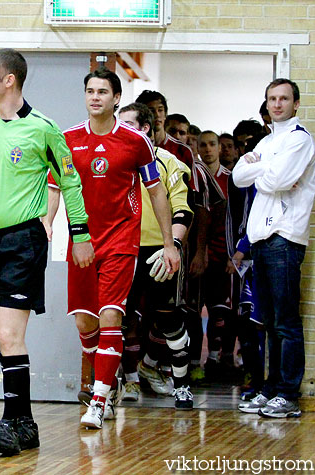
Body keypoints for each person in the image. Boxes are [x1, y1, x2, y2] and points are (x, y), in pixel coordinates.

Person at [0, 49, 94, 456]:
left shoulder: (43, 129)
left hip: (23, 242)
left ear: (9, 80)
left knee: (10, 335)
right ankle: (25, 423)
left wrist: (79, 234)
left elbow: (71, 183)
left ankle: (12, 422)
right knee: (3, 335)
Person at [47, 70, 180, 428]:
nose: (95, 97)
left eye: (103, 92)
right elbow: (55, 189)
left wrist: (170, 244)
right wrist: (47, 224)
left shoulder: (137, 142)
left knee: (111, 317)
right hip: (81, 242)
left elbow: (156, 193)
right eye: (89, 91)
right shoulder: (67, 139)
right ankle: (109, 377)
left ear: (116, 98)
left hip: (121, 241)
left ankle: (99, 398)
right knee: (85, 322)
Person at [233, 78, 315, 418]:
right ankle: (270, 388)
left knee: (285, 322)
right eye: (272, 99)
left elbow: (276, 182)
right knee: (267, 321)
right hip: (261, 243)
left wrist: (259, 169)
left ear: (295, 103)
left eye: (284, 98)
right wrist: (265, 169)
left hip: (285, 239)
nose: (277, 104)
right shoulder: (268, 141)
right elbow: (239, 177)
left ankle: (288, 394)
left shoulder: (300, 140)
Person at [117, 102, 194, 410]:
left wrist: (171, 246)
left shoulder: (168, 163)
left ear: (145, 128)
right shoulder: (114, 162)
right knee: (121, 320)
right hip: (122, 251)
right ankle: (131, 381)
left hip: (159, 250)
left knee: (170, 320)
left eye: (128, 125)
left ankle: (182, 387)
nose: (120, 131)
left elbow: (183, 211)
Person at [196, 131, 236, 381]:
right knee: (192, 312)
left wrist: (235, 254)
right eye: (203, 145)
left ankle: (217, 359)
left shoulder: (233, 180)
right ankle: (194, 365)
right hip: (198, 257)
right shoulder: (194, 177)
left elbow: (238, 218)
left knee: (222, 312)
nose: (208, 149)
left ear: (220, 148)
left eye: (213, 144)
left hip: (225, 255)